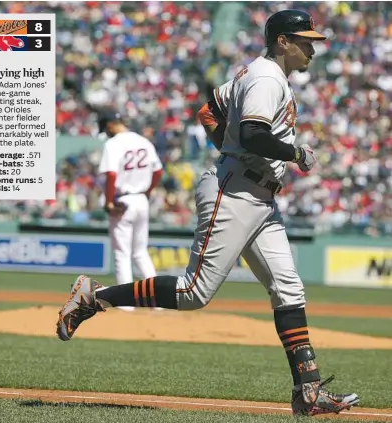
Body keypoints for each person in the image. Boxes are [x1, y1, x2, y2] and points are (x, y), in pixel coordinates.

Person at [56, 10, 360, 416]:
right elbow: (253, 133)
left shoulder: (257, 74)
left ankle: (308, 392)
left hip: (258, 196)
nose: (312, 47)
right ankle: (94, 296)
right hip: (236, 190)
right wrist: (293, 153)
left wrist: (232, 149)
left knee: (289, 289)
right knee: (192, 292)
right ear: (282, 41)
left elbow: (207, 112)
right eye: (304, 39)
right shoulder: (267, 78)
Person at [97, 110, 163, 310]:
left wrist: (109, 202)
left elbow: (110, 174)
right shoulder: (143, 141)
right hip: (142, 199)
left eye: (105, 129)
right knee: (140, 252)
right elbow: (158, 171)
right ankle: (158, 302)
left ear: (109, 125)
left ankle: (126, 305)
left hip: (122, 200)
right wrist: (148, 192)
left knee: (122, 254)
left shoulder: (113, 143)